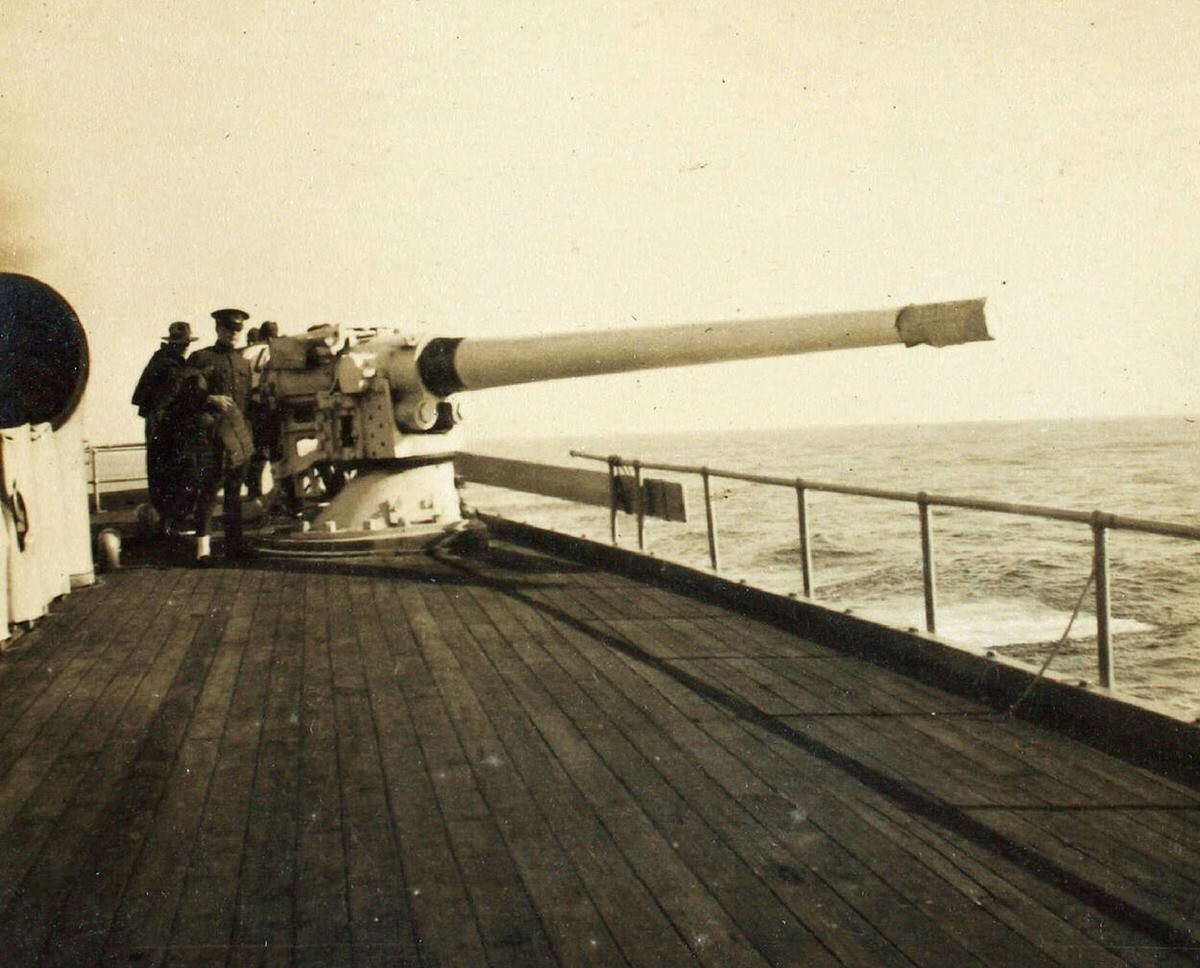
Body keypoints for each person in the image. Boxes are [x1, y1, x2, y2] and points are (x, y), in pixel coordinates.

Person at [185, 308, 255, 564]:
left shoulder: (243, 362)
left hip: (238, 436)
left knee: (235, 492)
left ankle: (234, 545)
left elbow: (247, 401)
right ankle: (202, 550)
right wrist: (209, 398)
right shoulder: (201, 358)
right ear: (218, 330)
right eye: (228, 329)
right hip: (212, 435)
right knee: (208, 490)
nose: (234, 334)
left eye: (238, 330)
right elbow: (184, 394)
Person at [130, 321, 196, 532]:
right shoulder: (172, 365)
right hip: (166, 425)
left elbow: (141, 398)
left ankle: (165, 521)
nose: (184, 347)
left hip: (156, 423)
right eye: (182, 343)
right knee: (174, 471)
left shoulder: (158, 360)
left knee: (160, 472)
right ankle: (173, 520)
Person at [242, 320, 278, 500]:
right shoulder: (274, 351)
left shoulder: (247, 353)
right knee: (275, 450)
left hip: (250, 405)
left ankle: (253, 494)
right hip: (270, 404)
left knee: (257, 452)